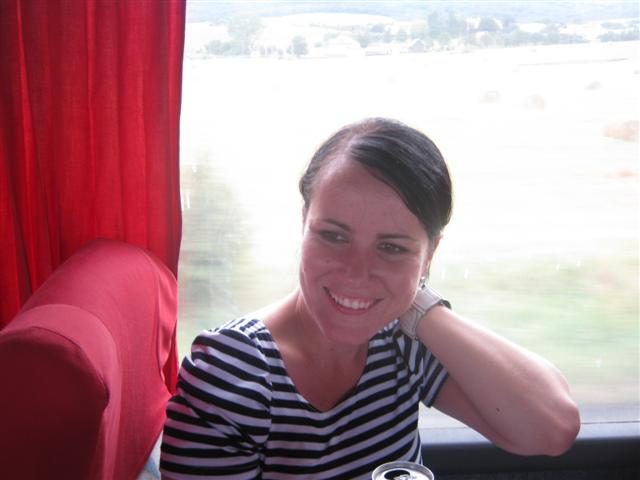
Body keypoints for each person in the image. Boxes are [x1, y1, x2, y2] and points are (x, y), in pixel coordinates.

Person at [160, 118, 580, 479]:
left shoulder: (400, 340)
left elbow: (550, 428)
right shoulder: (235, 371)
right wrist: (399, 286)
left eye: (392, 247)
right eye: (333, 236)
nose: (355, 273)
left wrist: (414, 304)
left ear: (429, 254)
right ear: (304, 223)